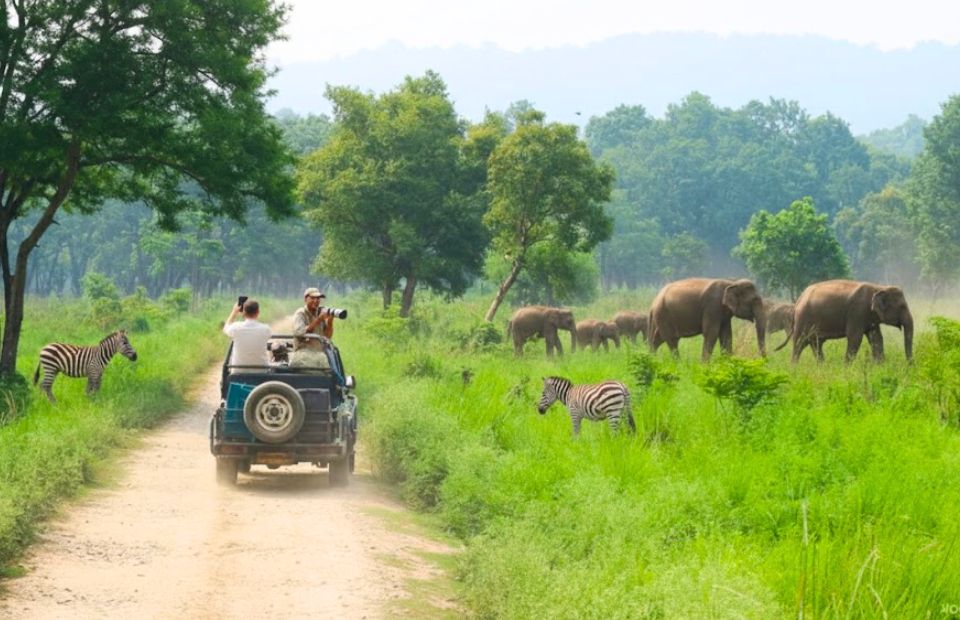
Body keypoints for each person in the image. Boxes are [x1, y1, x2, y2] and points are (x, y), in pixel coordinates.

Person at [290, 287, 334, 370]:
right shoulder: (301, 313)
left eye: (318, 298)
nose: (316, 301)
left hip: (319, 353)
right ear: (305, 299)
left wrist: (330, 321)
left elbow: (328, 336)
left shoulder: (320, 313)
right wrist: (318, 319)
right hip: (303, 353)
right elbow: (299, 332)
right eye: (312, 298)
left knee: (331, 374)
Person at [222, 298, 272, 372]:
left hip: (238, 372)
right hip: (261, 372)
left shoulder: (236, 327)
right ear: (258, 312)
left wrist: (234, 312)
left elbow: (225, 328)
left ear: (243, 312)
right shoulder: (266, 329)